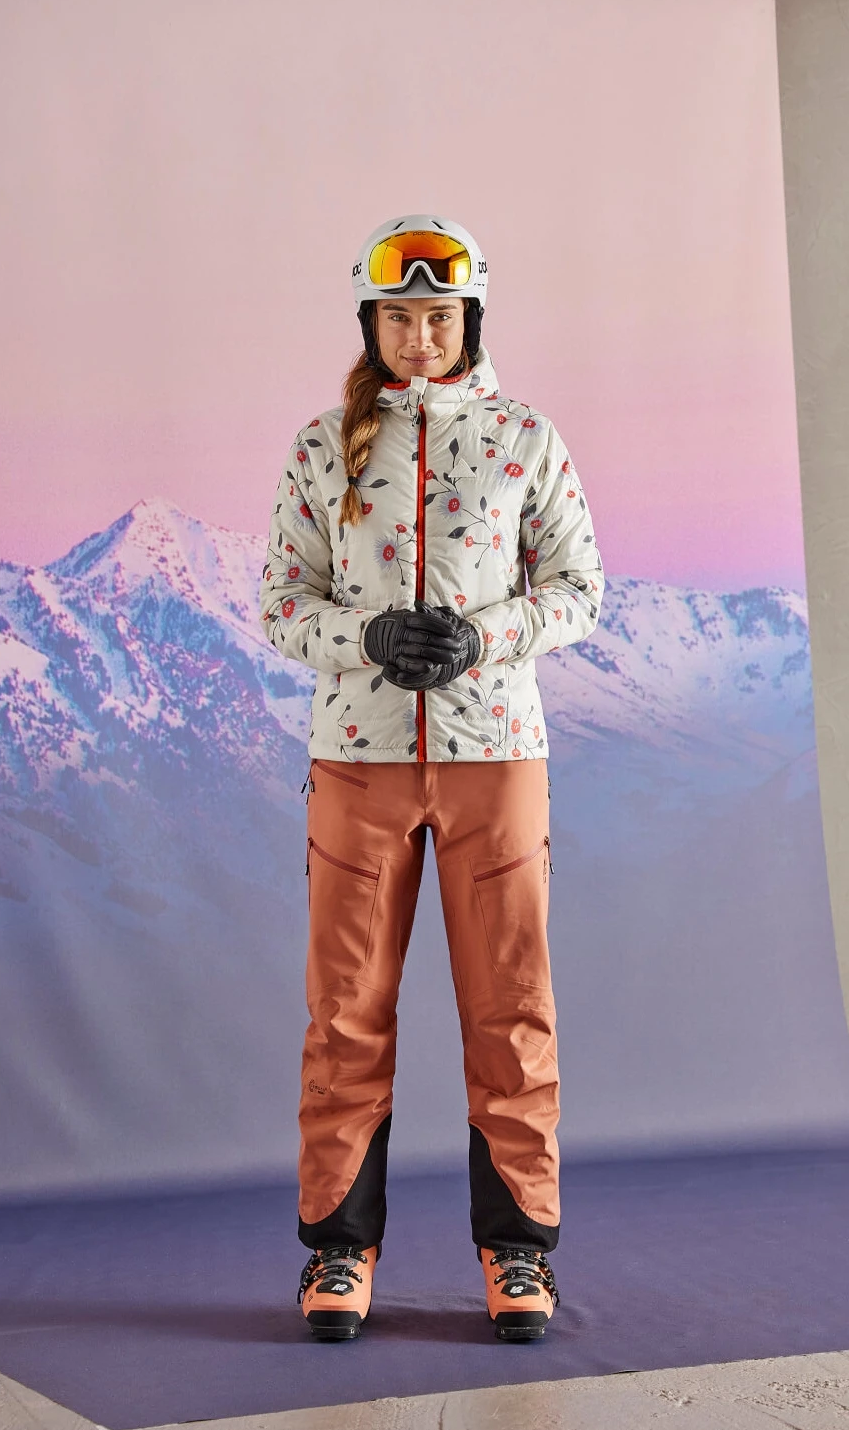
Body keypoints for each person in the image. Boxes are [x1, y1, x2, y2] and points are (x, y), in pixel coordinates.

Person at [258, 213, 605, 1342]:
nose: (419, 336)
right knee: (345, 1010)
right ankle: (338, 1252)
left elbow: (581, 588)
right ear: (371, 321)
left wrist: (483, 637)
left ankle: (519, 1251)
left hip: (494, 757)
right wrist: (364, 639)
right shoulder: (325, 446)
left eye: (440, 316)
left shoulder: (524, 439)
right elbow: (281, 602)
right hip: (358, 762)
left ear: (472, 320)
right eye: (400, 316)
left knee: (511, 1005)